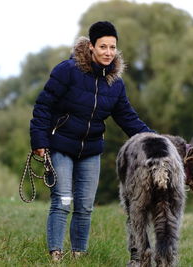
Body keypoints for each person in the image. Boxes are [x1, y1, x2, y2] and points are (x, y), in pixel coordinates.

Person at [29, 21, 153, 261]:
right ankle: (56, 254)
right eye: (103, 46)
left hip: (91, 150)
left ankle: (79, 256)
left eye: (112, 47)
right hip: (61, 144)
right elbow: (44, 105)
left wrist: (155, 141)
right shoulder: (67, 71)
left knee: (85, 206)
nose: (108, 52)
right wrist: (39, 140)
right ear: (92, 47)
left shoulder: (115, 83)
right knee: (63, 200)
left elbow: (128, 118)